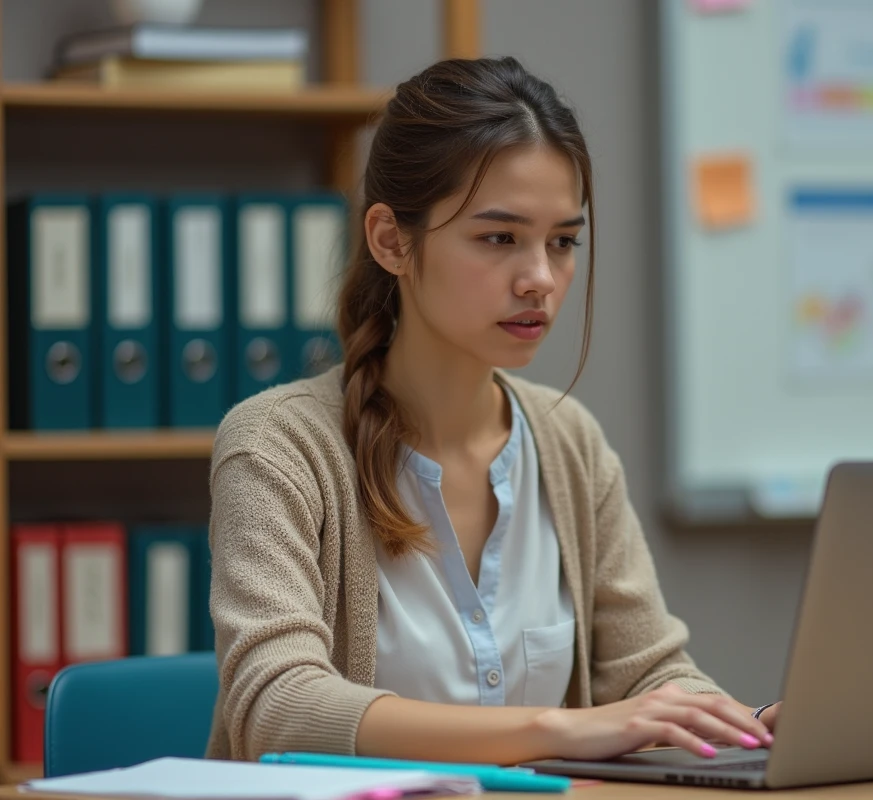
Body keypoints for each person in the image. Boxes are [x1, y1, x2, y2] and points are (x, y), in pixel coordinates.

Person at [205, 56, 780, 766]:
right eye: (500, 238)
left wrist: (750, 727)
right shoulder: (277, 445)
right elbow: (277, 707)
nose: (541, 277)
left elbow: (647, 676)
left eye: (563, 242)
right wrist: (555, 729)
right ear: (391, 241)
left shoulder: (569, 443)